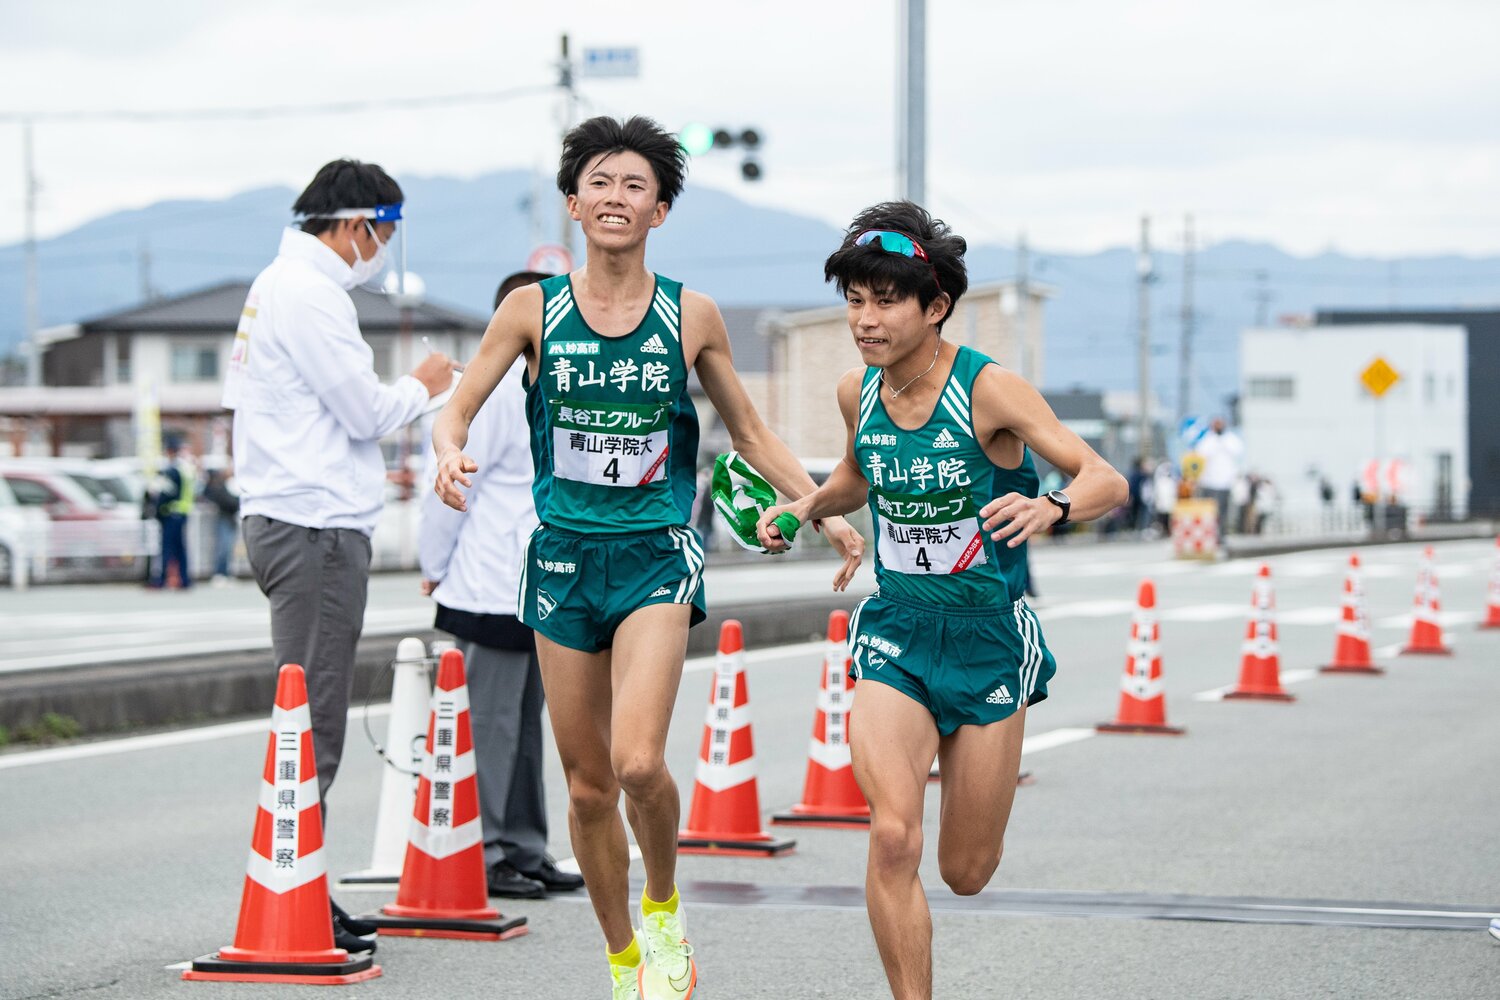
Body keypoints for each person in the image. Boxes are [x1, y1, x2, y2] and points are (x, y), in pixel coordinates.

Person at [432, 115, 862, 1000]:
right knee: (588, 789)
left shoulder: (690, 314)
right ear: (572, 204)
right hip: (559, 561)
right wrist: (446, 449)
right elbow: (459, 403)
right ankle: (624, 953)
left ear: (659, 210)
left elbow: (748, 431)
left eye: (634, 186)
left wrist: (820, 506)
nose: (615, 198)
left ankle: (663, 906)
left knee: (636, 762)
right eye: (599, 183)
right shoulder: (531, 310)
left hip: (655, 557)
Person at [754, 202, 1127, 1000]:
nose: (865, 319)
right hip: (898, 632)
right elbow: (859, 475)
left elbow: (1106, 478)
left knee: (964, 870)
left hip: (987, 637)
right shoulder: (860, 392)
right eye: (855, 299)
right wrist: (805, 507)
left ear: (936, 306)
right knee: (892, 834)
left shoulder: (989, 389)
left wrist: (1053, 507)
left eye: (885, 300)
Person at [221, 158, 455, 953]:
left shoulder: (274, 285)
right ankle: (295, 900)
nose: (383, 250)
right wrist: (426, 384)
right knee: (313, 720)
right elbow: (366, 412)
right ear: (357, 227)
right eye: (384, 234)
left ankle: (305, 891)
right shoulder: (312, 295)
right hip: (314, 525)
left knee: (307, 712)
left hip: (291, 517)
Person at [418, 270, 585, 901]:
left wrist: (435, 565)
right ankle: (492, 850)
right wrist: (437, 564)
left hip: (522, 578)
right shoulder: (487, 388)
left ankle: (522, 846)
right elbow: (451, 485)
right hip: (495, 578)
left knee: (522, 724)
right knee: (497, 724)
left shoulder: (550, 382)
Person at [148, 437, 194, 589]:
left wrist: (157, 510)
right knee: (180, 548)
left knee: (166, 548)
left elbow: (165, 494)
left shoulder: (171, 471)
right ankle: (185, 580)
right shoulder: (184, 468)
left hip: (170, 513)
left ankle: (160, 580)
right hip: (182, 512)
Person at [1195, 416, 1243, 544]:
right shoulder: (1207, 439)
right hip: (1209, 482)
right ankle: (1208, 536)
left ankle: (1221, 536)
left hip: (1225, 482)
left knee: (1223, 512)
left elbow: (1237, 451)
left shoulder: (1230, 439)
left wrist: (1222, 442)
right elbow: (1201, 454)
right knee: (1209, 512)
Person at [203, 464, 240, 583]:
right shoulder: (220, 486)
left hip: (230, 519)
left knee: (228, 548)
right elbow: (229, 502)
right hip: (225, 519)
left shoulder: (232, 484)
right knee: (223, 547)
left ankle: (226, 573)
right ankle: (220, 573)